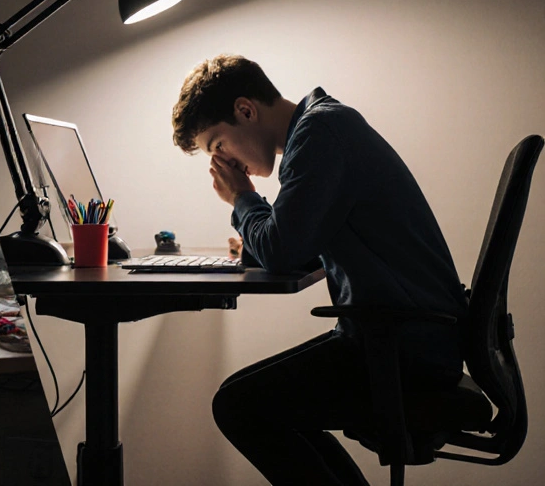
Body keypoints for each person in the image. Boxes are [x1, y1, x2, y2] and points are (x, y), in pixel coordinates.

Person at [171, 55, 468, 486]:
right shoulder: (323, 127)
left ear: (246, 110)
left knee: (238, 407)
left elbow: (283, 250)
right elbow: (301, 242)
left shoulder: (318, 134)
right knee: (258, 404)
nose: (223, 164)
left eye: (218, 146)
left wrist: (241, 198)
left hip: (403, 349)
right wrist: (260, 237)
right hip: (411, 337)